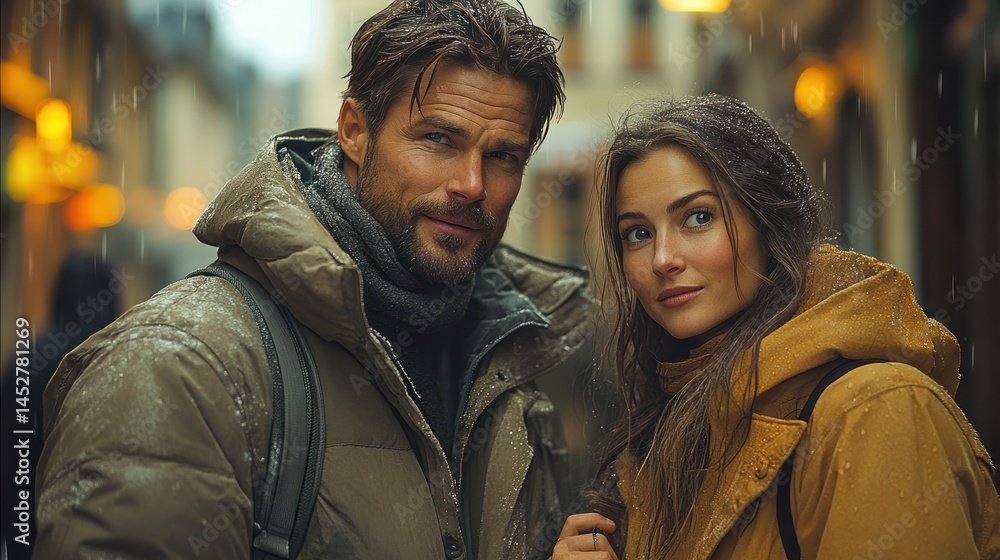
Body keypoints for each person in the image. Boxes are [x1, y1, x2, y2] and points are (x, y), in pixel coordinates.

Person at [35, 1, 594, 558]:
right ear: (354, 131)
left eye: (503, 156)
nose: (472, 184)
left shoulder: (520, 361)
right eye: (438, 139)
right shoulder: (180, 366)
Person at [551, 94, 1000, 559]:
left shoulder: (876, 409)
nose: (663, 258)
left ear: (768, 223)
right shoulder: (676, 427)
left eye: (698, 217)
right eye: (638, 233)